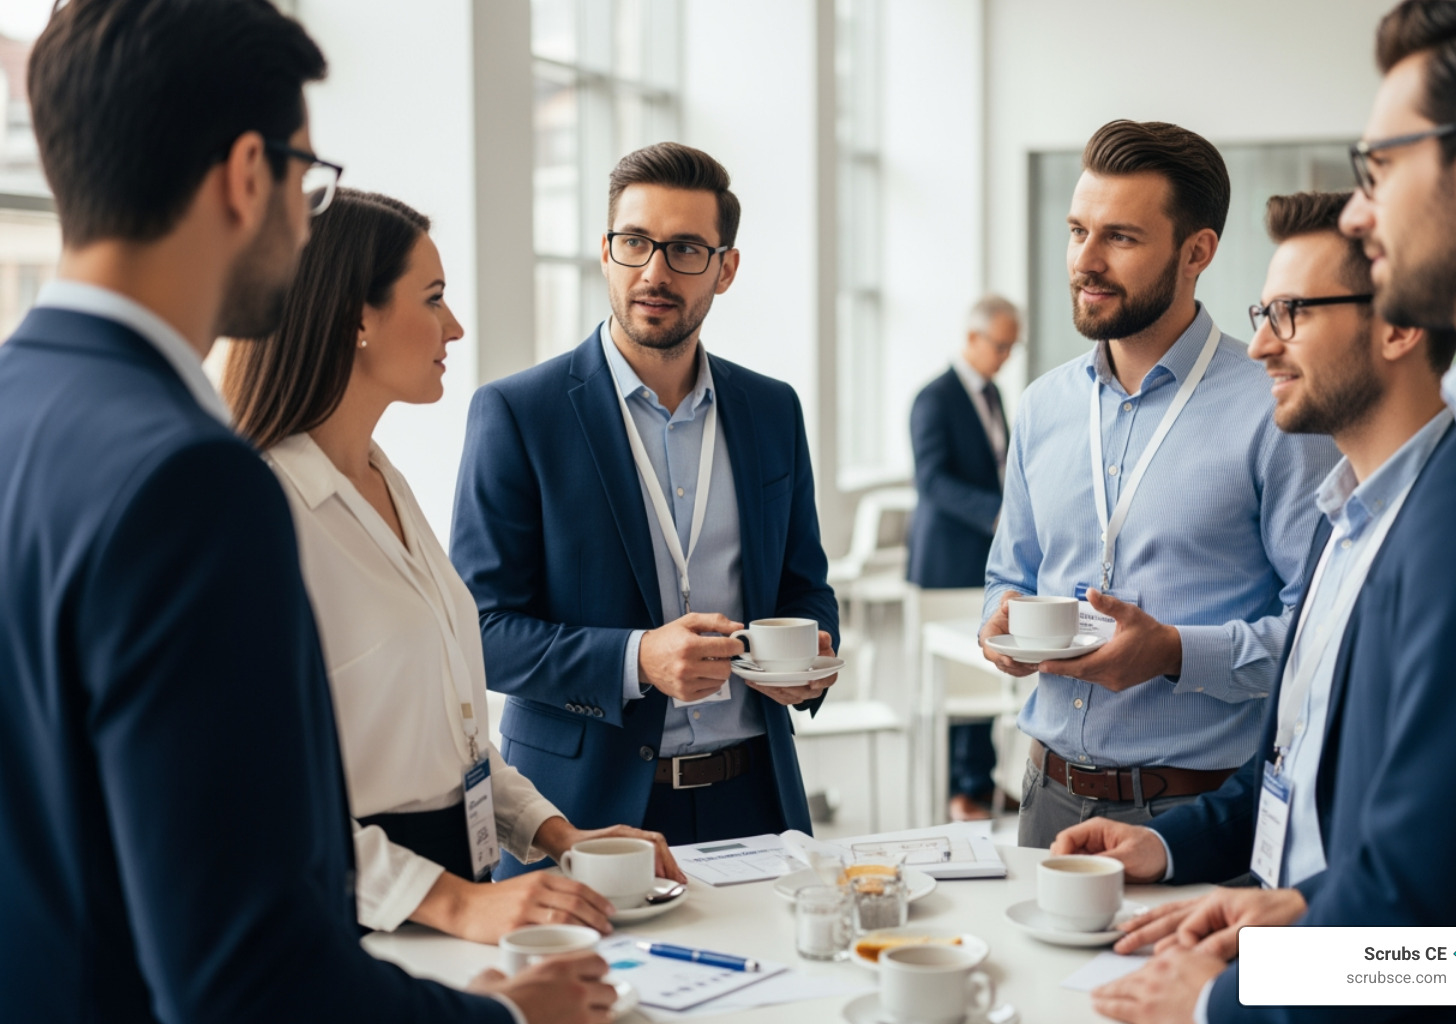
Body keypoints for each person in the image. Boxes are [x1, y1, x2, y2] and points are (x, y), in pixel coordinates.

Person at [0, 1, 614, 1021]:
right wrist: (509, 1017)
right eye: (307, 176)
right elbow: (244, 974)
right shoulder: (192, 481)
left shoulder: (24, 405)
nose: (306, 214)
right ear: (250, 175)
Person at [1091, 3, 1456, 1022]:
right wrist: (1277, 907)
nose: (1366, 215)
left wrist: (1226, 999)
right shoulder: (1350, 517)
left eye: (1378, 168)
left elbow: (1451, 928)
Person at [222, 188, 684, 944]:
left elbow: (453, 740)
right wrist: (453, 903)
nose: (456, 326)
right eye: (433, 299)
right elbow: (254, 794)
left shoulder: (383, 480)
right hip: (357, 917)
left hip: (453, 894)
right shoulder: (265, 512)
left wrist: (559, 835)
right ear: (356, 317)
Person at [1052, 188, 1456, 959]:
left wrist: (1239, 999)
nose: (1264, 347)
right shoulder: (1341, 524)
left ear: (1400, 323)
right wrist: (1168, 846)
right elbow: (1294, 765)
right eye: (1262, 315)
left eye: (1293, 314)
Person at [452, 142, 839, 870]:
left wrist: (810, 656)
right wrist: (637, 658)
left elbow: (805, 586)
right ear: (605, 251)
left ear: (725, 268)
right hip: (585, 808)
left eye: (686, 249)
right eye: (635, 243)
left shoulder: (771, 410)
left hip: (754, 797)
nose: (655, 272)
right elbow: (480, 629)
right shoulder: (518, 413)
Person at [978, 119, 1338, 849]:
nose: (1086, 260)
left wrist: (1174, 652)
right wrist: (1002, 622)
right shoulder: (1043, 406)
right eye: (1078, 231)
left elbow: (1321, 641)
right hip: (1044, 800)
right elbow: (1006, 576)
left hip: (1195, 817)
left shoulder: (1277, 408)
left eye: (1121, 238)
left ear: (1196, 252)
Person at [906, 294, 1021, 821]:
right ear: (972, 338)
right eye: (999, 345)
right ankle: (960, 791)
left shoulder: (994, 394)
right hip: (946, 559)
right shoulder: (933, 398)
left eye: (1011, 347)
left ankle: (981, 781)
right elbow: (931, 481)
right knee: (954, 682)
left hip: (985, 557)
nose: (1004, 356)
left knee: (986, 666)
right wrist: (994, 513)